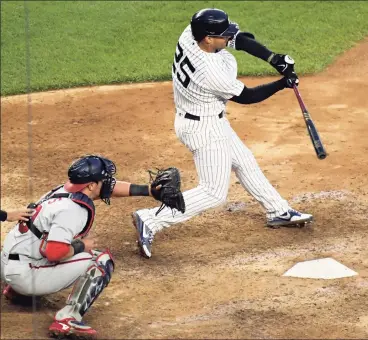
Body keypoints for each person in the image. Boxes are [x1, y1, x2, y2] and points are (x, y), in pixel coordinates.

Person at [132, 8, 313, 259]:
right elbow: (248, 97)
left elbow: (240, 38)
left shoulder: (190, 33)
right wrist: (283, 83)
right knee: (213, 192)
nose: (229, 38)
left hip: (205, 118)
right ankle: (151, 219)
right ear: (208, 38)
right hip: (203, 128)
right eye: (223, 36)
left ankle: (277, 211)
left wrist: (273, 58)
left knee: (244, 160)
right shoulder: (210, 72)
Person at [0, 155, 184, 339]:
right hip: (25, 275)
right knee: (99, 259)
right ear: (91, 185)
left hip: (11, 263)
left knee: (49, 240)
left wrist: (149, 191)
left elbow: (107, 189)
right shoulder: (73, 211)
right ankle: (68, 319)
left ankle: (17, 291)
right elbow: (54, 252)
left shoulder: (63, 191)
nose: (109, 182)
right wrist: (81, 246)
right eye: (104, 179)